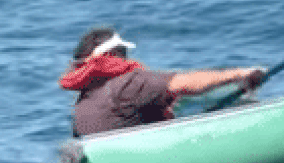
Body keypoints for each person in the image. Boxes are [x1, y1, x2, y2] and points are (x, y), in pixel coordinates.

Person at [61, 27, 266, 137]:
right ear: (113, 54)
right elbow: (187, 82)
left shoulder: (82, 103)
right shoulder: (130, 83)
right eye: (123, 52)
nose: (126, 57)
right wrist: (241, 74)